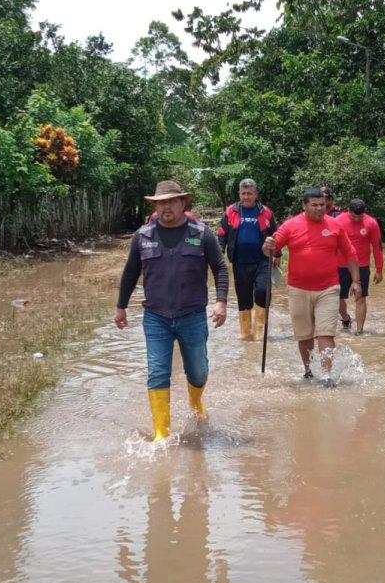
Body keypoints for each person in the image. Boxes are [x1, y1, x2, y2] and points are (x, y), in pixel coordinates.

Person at [116, 180, 229, 442]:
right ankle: (161, 433)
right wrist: (120, 306)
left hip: (192, 315)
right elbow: (130, 273)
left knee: (198, 371)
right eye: (160, 203)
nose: (165, 207)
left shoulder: (202, 234)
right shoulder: (142, 236)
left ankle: (196, 403)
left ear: (182, 203)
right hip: (156, 317)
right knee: (158, 371)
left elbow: (220, 268)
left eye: (170, 202)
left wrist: (221, 300)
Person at [262, 187, 361, 382]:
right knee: (304, 335)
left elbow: (350, 254)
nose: (319, 209)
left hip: (329, 288)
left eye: (322, 205)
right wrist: (267, 246)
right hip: (298, 289)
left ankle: (326, 375)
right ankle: (308, 371)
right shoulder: (290, 225)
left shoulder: (334, 225)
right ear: (304, 206)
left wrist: (356, 281)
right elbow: (270, 250)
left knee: (326, 333)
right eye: (314, 205)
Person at [216, 178, 279, 341]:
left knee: (263, 292)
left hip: (262, 260)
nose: (246, 197)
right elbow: (222, 233)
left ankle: (259, 333)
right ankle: (245, 334)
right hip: (239, 262)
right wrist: (219, 253)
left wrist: (277, 255)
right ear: (239, 193)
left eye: (249, 193)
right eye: (243, 193)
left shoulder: (265, 212)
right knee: (243, 298)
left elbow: (275, 234)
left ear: (255, 194)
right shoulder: (231, 211)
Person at [335, 199, 384, 334]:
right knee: (337, 297)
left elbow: (377, 247)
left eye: (360, 216)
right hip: (340, 265)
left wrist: (379, 270)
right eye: (354, 216)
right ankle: (345, 317)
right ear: (348, 211)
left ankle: (359, 331)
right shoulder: (338, 221)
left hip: (362, 265)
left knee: (360, 297)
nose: (357, 219)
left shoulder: (371, 223)